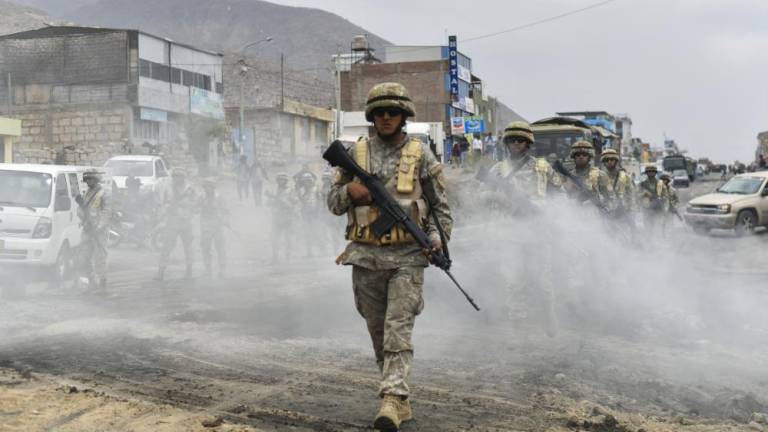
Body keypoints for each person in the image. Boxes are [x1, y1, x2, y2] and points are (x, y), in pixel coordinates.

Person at [327, 82, 452, 431]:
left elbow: (442, 210)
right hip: (365, 256)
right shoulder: (355, 155)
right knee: (378, 332)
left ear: (403, 116)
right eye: (380, 112)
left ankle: (392, 397)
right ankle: (399, 398)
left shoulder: (422, 155)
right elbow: (333, 204)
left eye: (392, 112)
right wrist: (349, 191)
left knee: (398, 329)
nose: (385, 118)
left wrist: (438, 242)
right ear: (371, 116)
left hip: (408, 256)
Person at [484, 121, 562, 335]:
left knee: (542, 280)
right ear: (506, 144)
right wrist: (499, 197)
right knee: (513, 279)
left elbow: (560, 195)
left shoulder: (542, 167)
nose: (515, 144)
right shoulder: (498, 170)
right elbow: (482, 196)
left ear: (528, 143)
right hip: (510, 232)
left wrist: (544, 210)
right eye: (512, 140)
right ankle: (517, 325)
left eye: (520, 140)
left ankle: (549, 317)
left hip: (538, 231)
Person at [156, 168, 197, 281]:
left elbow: (196, 204)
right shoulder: (168, 188)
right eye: (174, 176)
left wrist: (185, 205)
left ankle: (189, 270)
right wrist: (167, 209)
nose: (176, 178)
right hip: (172, 220)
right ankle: (161, 272)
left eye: (179, 176)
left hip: (185, 221)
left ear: (183, 177)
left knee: (188, 247)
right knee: (166, 246)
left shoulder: (190, 189)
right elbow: (163, 203)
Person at [76, 169, 110, 292]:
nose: (88, 182)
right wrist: (82, 212)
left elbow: (107, 213)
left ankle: (102, 283)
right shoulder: (86, 194)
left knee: (100, 258)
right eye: (87, 180)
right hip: (87, 229)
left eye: (90, 179)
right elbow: (80, 212)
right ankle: (92, 281)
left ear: (95, 179)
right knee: (83, 256)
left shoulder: (104, 193)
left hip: (99, 231)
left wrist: (99, 226)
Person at [564, 140, 614, 210]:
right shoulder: (568, 176)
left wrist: (601, 205)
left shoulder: (600, 175)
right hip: (573, 215)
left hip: (595, 217)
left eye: (584, 155)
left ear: (589, 157)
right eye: (578, 155)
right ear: (574, 157)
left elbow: (611, 199)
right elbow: (562, 198)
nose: (581, 157)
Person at [199, 178, 228, 278]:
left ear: (213, 187)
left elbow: (226, 211)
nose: (207, 189)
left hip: (217, 225)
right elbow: (195, 208)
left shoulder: (219, 198)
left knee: (220, 248)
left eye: (209, 186)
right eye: (205, 187)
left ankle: (222, 268)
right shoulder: (201, 198)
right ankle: (208, 269)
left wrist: (224, 219)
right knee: (205, 248)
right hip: (205, 225)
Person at [267, 173, 296, 263]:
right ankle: (275, 256)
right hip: (276, 217)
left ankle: (288, 256)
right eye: (279, 180)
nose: (281, 181)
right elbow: (269, 203)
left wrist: (286, 204)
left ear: (286, 181)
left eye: (283, 180)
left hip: (288, 217)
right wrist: (273, 201)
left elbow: (294, 202)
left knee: (288, 239)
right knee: (275, 238)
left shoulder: (290, 190)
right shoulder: (274, 190)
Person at [637, 165, 669, 238]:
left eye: (653, 171)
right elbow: (636, 196)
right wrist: (643, 194)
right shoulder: (642, 184)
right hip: (647, 210)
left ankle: (659, 244)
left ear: (655, 173)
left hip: (658, 210)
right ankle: (649, 245)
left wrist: (664, 208)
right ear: (646, 173)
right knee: (648, 230)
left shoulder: (660, 184)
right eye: (649, 171)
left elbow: (666, 197)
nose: (651, 173)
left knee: (658, 230)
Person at [295, 170, 320, 257]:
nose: (307, 183)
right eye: (305, 181)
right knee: (307, 233)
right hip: (305, 215)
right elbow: (297, 203)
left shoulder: (316, 189)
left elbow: (320, 201)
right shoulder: (301, 191)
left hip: (315, 214)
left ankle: (321, 250)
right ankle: (309, 251)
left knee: (318, 232)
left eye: (308, 181)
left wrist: (319, 212)